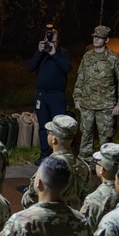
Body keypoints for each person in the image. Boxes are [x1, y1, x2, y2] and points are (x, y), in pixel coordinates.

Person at [72, 25, 119, 159]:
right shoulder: (87, 57)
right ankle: (85, 162)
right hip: (87, 104)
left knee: (106, 137)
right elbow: (80, 78)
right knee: (86, 135)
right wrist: (77, 97)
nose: (96, 39)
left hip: (106, 106)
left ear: (106, 40)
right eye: (95, 37)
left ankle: (106, 163)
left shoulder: (114, 59)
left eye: (100, 37)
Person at [20, 114, 92, 209]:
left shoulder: (48, 168)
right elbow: (87, 199)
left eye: (49, 132)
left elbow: (29, 201)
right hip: (73, 218)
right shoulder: (84, 166)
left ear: (54, 139)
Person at [28, 25, 71, 162]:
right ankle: (44, 154)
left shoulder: (63, 53)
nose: (50, 44)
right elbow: (30, 67)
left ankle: (59, 154)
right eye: (48, 41)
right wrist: (39, 52)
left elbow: (67, 67)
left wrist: (54, 54)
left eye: (54, 41)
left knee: (59, 126)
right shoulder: (41, 54)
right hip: (42, 95)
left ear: (58, 42)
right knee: (43, 126)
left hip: (57, 95)